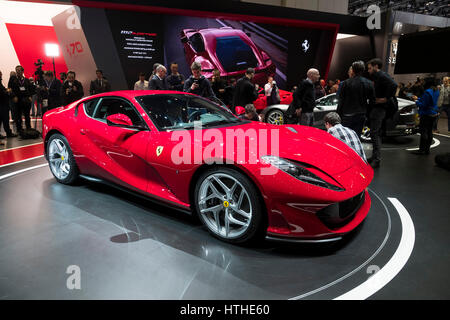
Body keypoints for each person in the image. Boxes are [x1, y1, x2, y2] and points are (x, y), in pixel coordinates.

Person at [366, 58, 397, 168]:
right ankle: (374, 157)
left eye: (370, 68)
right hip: (377, 108)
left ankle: (377, 159)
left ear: (376, 66)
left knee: (375, 134)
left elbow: (394, 85)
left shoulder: (382, 75)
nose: (368, 71)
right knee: (375, 133)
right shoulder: (377, 76)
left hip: (379, 109)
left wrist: (385, 98)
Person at [337, 61, 375, 136]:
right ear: (363, 70)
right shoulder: (369, 83)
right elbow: (372, 100)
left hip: (347, 115)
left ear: (353, 70)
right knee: (357, 136)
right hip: (361, 114)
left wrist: (338, 114)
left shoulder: (346, 83)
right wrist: (367, 113)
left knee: (345, 137)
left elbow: (341, 100)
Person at [411, 77, 440, 155]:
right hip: (434, 113)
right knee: (430, 132)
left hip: (426, 114)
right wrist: (419, 98)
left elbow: (424, 105)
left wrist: (416, 101)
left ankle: (421, 150)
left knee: (423, 132)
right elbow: (428, 101)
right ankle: (427, 150)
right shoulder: (436, 90)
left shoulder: (427, 92)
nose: (423, 83)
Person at [9, 65, 35, 133]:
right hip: (18, 100)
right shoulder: (13, 80)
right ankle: (19, 129)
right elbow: (10, 89)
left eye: (19, 70)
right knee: (18, 116)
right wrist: (13, 96)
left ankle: (28, 127)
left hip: (26, 100)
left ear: (22, 71)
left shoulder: (26, 80)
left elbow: (30, 89)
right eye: (16, 70)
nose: (17, 71)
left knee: (27, 115)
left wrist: (30, 96)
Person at [0, 71, 17, 140]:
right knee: (5, 119)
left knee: (3, 120)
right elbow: (2, 92)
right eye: (0, 74)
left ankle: (8, 132)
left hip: (3, 103)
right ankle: (8, 133)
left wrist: (6, 90)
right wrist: (7, 91)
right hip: (2, 104)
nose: (1, 75)